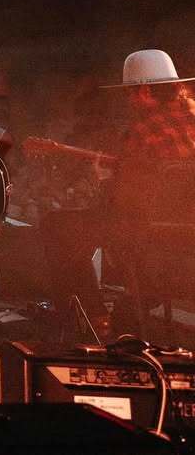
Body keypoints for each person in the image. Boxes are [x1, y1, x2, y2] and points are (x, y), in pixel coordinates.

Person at [42, 49, 195, 339]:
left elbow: (125, 199)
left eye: (131, 92)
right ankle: (118, 309)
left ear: (146, 90)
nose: (129, 100)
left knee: (57, 227)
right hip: (188, 233)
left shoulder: (144, 129)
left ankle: (91, 317)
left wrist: (104, 179)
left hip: (145, 231)